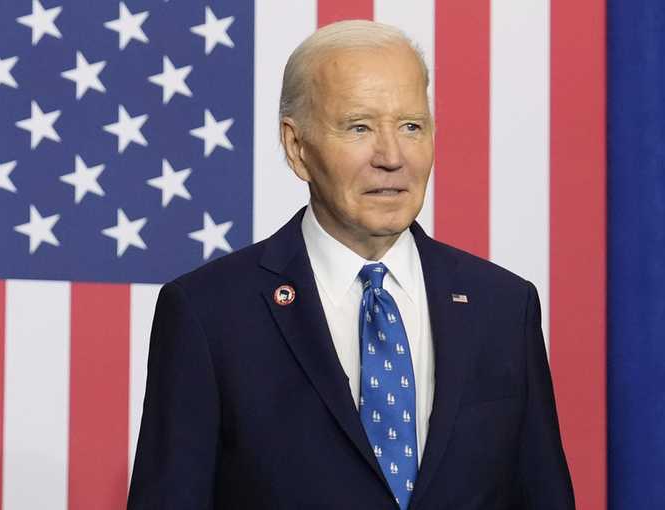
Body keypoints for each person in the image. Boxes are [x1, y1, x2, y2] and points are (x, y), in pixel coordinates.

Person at [127, 20, 574, 510]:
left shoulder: (504, 307)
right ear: (298, 148)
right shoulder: (208, 314)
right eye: (359, 127)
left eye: (411, 126)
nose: (391, 156)